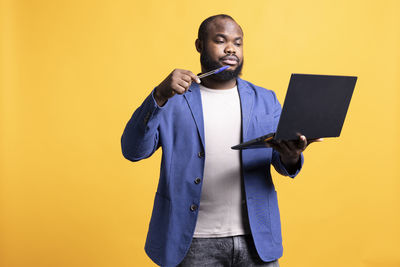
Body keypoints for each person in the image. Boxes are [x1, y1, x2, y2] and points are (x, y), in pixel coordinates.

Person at [121, 14, 321, 267]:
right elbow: (132, 150)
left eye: (238, 43)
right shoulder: (172, 99)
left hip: (256, 242)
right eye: (220, 40)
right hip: (191, 243)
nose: (231, 48)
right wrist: (159, 95)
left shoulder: (265, 99)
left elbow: (281, 163)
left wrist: (291, 155)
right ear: (199, 45)